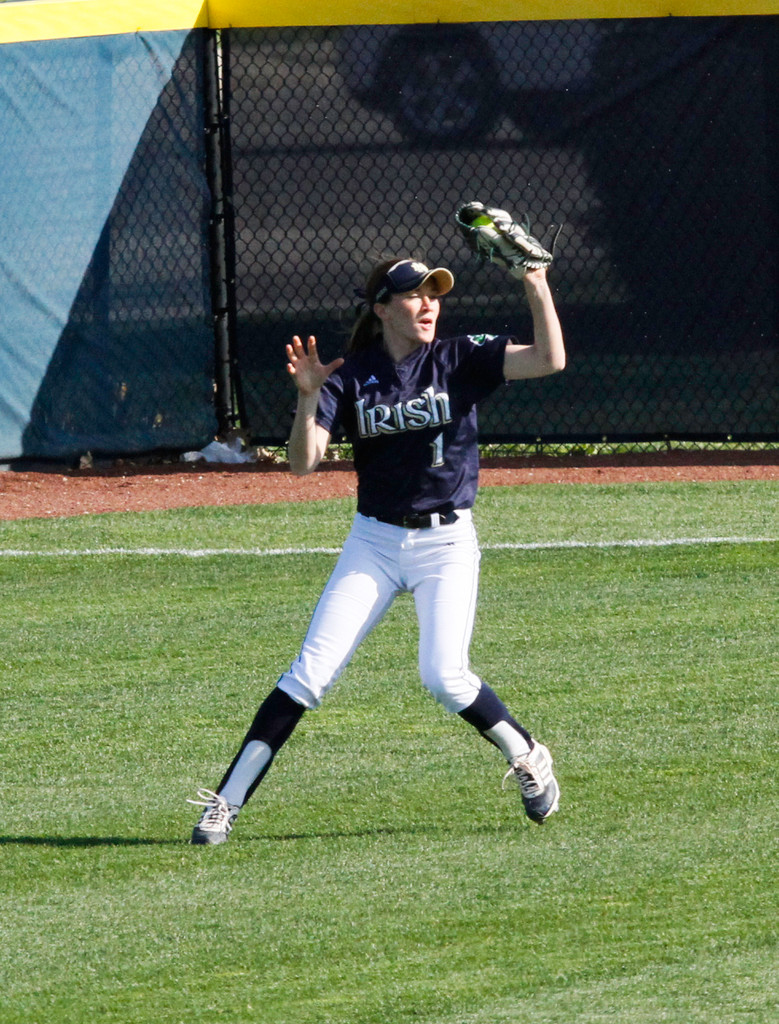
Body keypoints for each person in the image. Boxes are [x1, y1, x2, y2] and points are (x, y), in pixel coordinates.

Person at [189, 253, 566, 844]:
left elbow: (549, 360)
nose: (428, 304)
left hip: (446, 542)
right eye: (415, 295)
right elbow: (302, 463)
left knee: (444, 677)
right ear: (383, 308)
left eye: (434, 294)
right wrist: (309, 396)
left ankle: (526, 752)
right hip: (375, 541)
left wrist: (536, 284)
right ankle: (224, 804)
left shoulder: (458, 356)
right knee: (308, 675)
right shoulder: (349, 373)